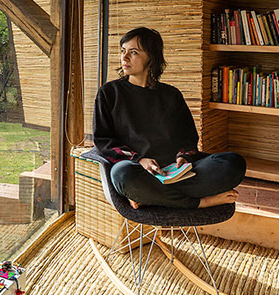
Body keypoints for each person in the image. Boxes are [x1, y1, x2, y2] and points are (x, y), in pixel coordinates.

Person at [93, 26, 245, 209]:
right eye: (123, 51)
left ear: (151, 57)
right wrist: (139, 160)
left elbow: (188, 137)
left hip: (177, 171)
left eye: (133, 52)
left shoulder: (171, 95)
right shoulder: (109, 93)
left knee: (233, 163)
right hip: (139, 171)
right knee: (121, 175)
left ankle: (150, 196)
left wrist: (183, 157)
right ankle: (199, 202)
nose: (124, 57)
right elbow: (103, 140)